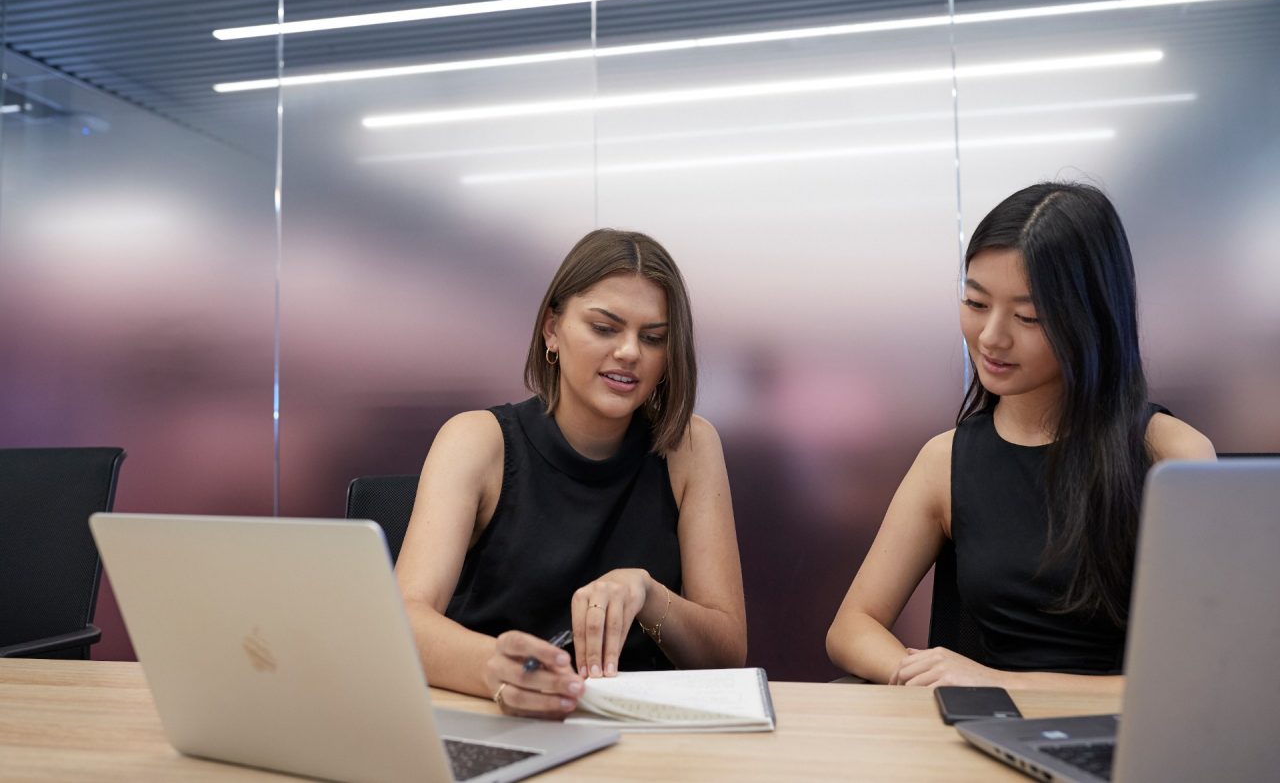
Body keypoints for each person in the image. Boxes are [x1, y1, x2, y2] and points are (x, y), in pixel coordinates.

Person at [826, 182, 1214, 690]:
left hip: (1122, 747)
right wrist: (915, 672)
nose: (991, 337)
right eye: (976, 303)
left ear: (1089, 319)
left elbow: (1193, 678)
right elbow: (852, 627)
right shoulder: (945, 460)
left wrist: (998, 682)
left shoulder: (1172, 457)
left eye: (1027, 316)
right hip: (985, 739)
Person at [396, 228, 747, 718]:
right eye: (605, 328)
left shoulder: (690, 446)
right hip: (497, 714)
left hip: (642, 734)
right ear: (552, 331)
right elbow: (404, 620)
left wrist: (648, 594)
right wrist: (497, 669)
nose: (629, 352)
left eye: (653, 338)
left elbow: (727, 652)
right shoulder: (476, 440)